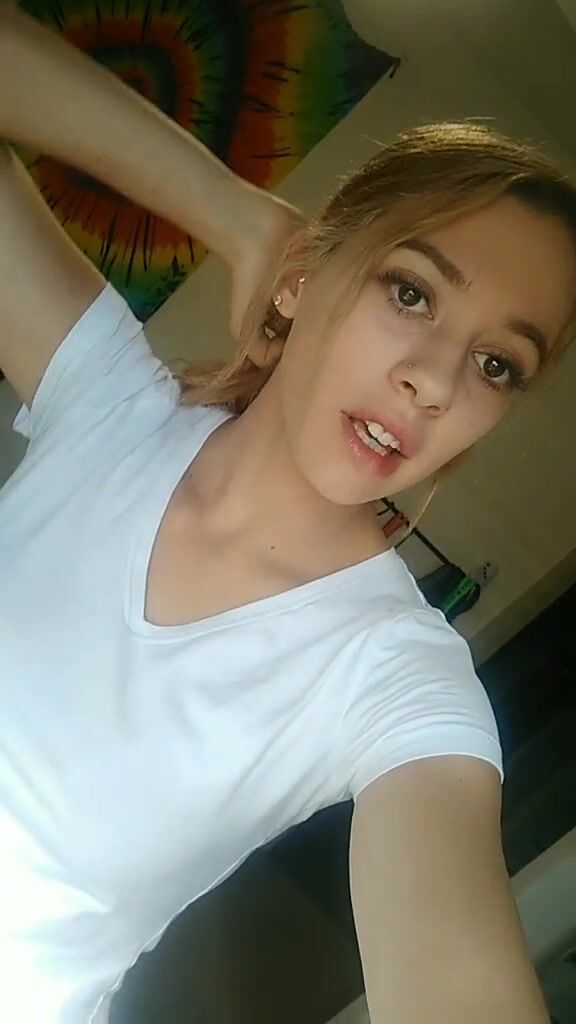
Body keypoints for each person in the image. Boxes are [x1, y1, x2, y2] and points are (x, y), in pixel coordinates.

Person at [0, 8, 572, 1024]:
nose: (436, 382)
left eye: (497, 364)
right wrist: (235, 217)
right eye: (411, 292)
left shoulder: (396, 675)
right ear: (306, 276)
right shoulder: (107, 403)